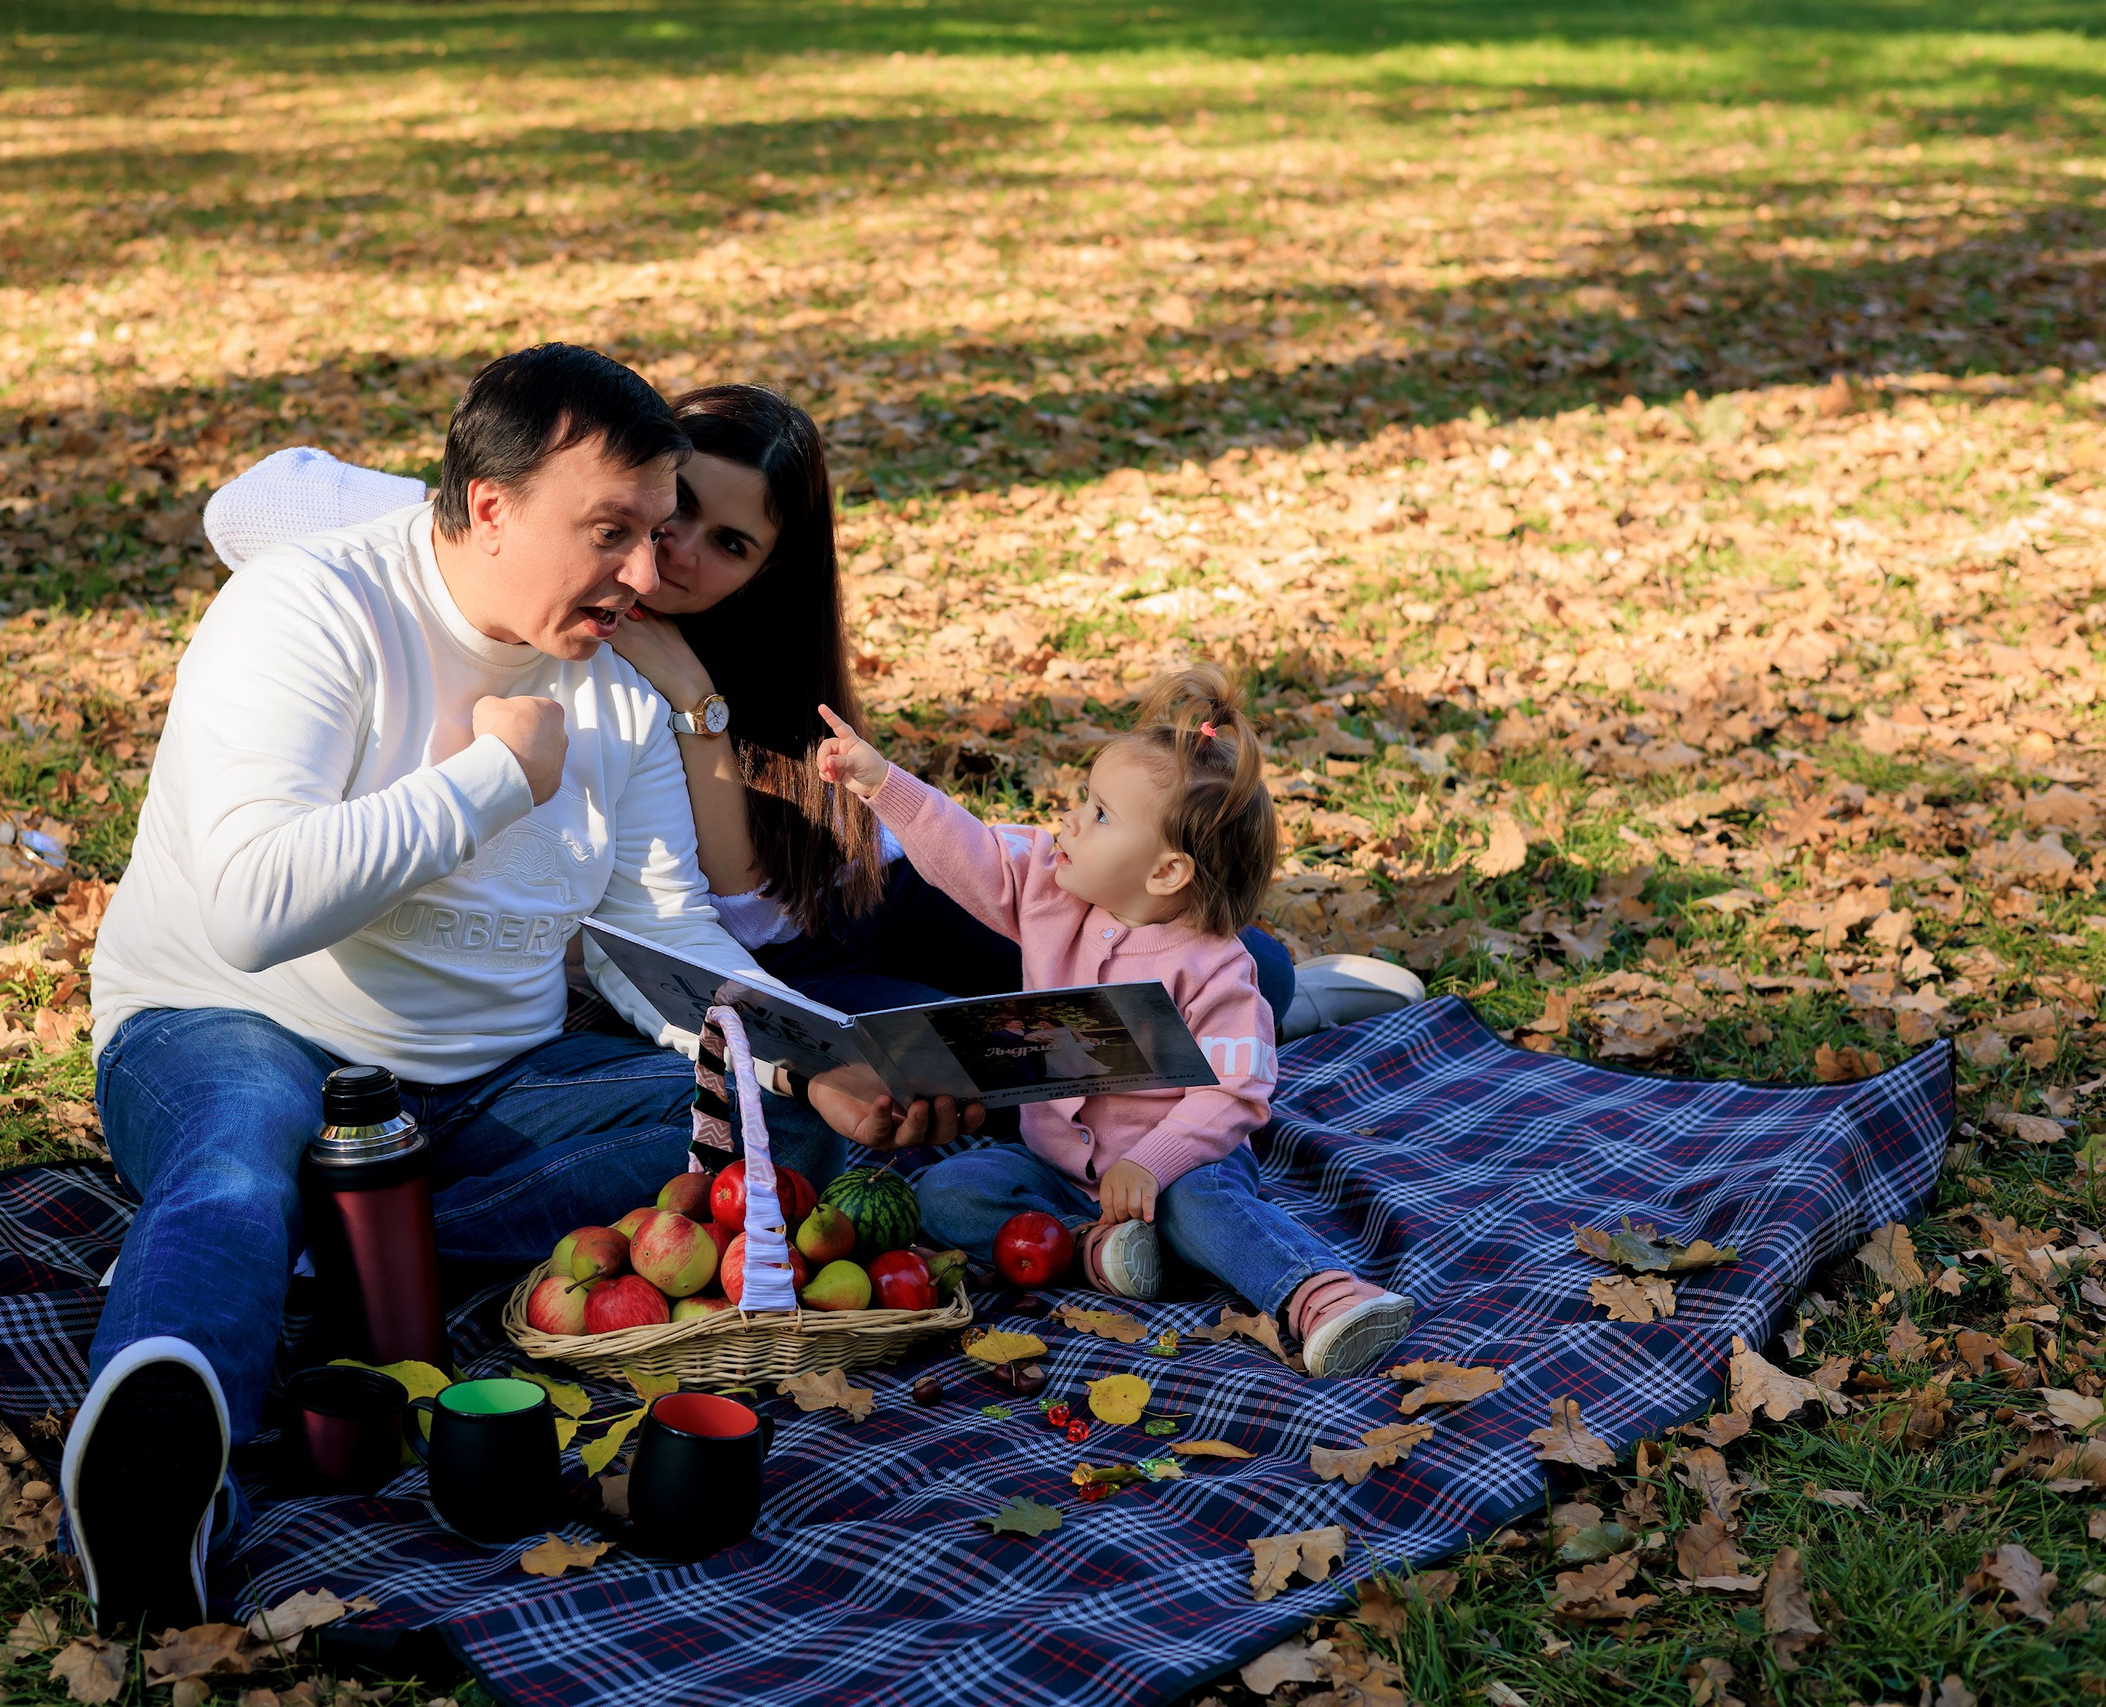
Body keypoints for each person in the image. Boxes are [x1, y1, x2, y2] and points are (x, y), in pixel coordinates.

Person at [72, 346, 977, 1633]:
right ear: (488, 507)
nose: (644, 573)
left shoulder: (613, 682)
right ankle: (164, 1487)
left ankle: (325, 1260)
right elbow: (251, 908)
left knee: (792, 1143)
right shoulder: (309, 612)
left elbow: (661, 926)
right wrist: (489, 778)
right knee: (236, 1158)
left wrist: (810, 1055)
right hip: (238, 1026)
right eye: (607, 533)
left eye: (656, 533)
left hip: (495, 1084)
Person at [202, 391, 1426, 1034]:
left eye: (727, 545)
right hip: (764, 955)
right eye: (668, 507)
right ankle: (1258, 1012)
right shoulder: (560, 561)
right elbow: (247, 510)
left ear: (769, 570)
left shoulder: (747, 651)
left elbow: (796, 876)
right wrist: (508, 519)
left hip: (877, 885)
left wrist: (705, 695)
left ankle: (1273, 1003)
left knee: (1232, 965)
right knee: (1000, 1048)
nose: (674, 557)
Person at [816, 663, 1416, 1379]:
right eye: (1083, 799)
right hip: (1058, 1167)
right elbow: (970, 852)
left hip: (1182, 1166)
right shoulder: (1052, 890)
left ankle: (1319, 1293)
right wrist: (882, 782)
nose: (1069, 818)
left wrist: (1151, 1163)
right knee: (949, 1193)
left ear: (1166, 872)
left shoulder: (1215, 968)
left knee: (1205, 1211)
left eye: (1099, 814)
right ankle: (1097, 1246)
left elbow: (1236, 1092)